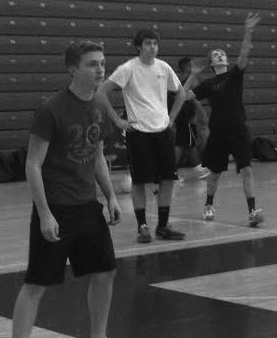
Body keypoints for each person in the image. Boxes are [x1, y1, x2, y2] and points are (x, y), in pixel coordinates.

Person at [5, 41, 138, 338]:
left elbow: (95, 155)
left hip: (87, 206)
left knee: (105, 271)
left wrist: (109, 197)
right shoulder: (51, 109)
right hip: (57, 208)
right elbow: (33, 165)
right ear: (72, 70)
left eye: (102, 63)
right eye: (92, 64)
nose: (100, 69)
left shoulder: (98, 105)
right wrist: (45, 213)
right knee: (36, 284)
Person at [96, 29, 189, 243]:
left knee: (167, 178)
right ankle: (142, 227)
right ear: (139, 46)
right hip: (138, 133)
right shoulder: (128, 68)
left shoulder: (163, 67)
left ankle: (163, 225)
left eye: (155, 43)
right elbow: (102, 92)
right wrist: (118, 120)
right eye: (148, 43)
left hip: (162, 131)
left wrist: (171, 118)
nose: (152, 47)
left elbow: (181, 93)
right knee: (139, 181)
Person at [188, 13, 264, 227]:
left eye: (222, 53)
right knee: (214, 173)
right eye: (216, 54)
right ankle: (208, 206)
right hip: (218, 133)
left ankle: (252, 212)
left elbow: (244, 54)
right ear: (212, 62)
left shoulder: (234, 75)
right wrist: (193, 75)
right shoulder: (208, 83)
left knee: (247, 169)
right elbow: (186, 96)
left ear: (226, 60)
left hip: (238, 130)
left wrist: (248, 31)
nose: (220, 55)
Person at [168, 57, 209, 182]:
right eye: (192, 65)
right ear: (187, 67)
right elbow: (191, 99)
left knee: (185, 143)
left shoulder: (181, 80)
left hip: (181, 114)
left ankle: (175, 171)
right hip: (184, 115)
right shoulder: (187, 81)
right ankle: (173, 171)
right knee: (184, 143)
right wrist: (201, 112)